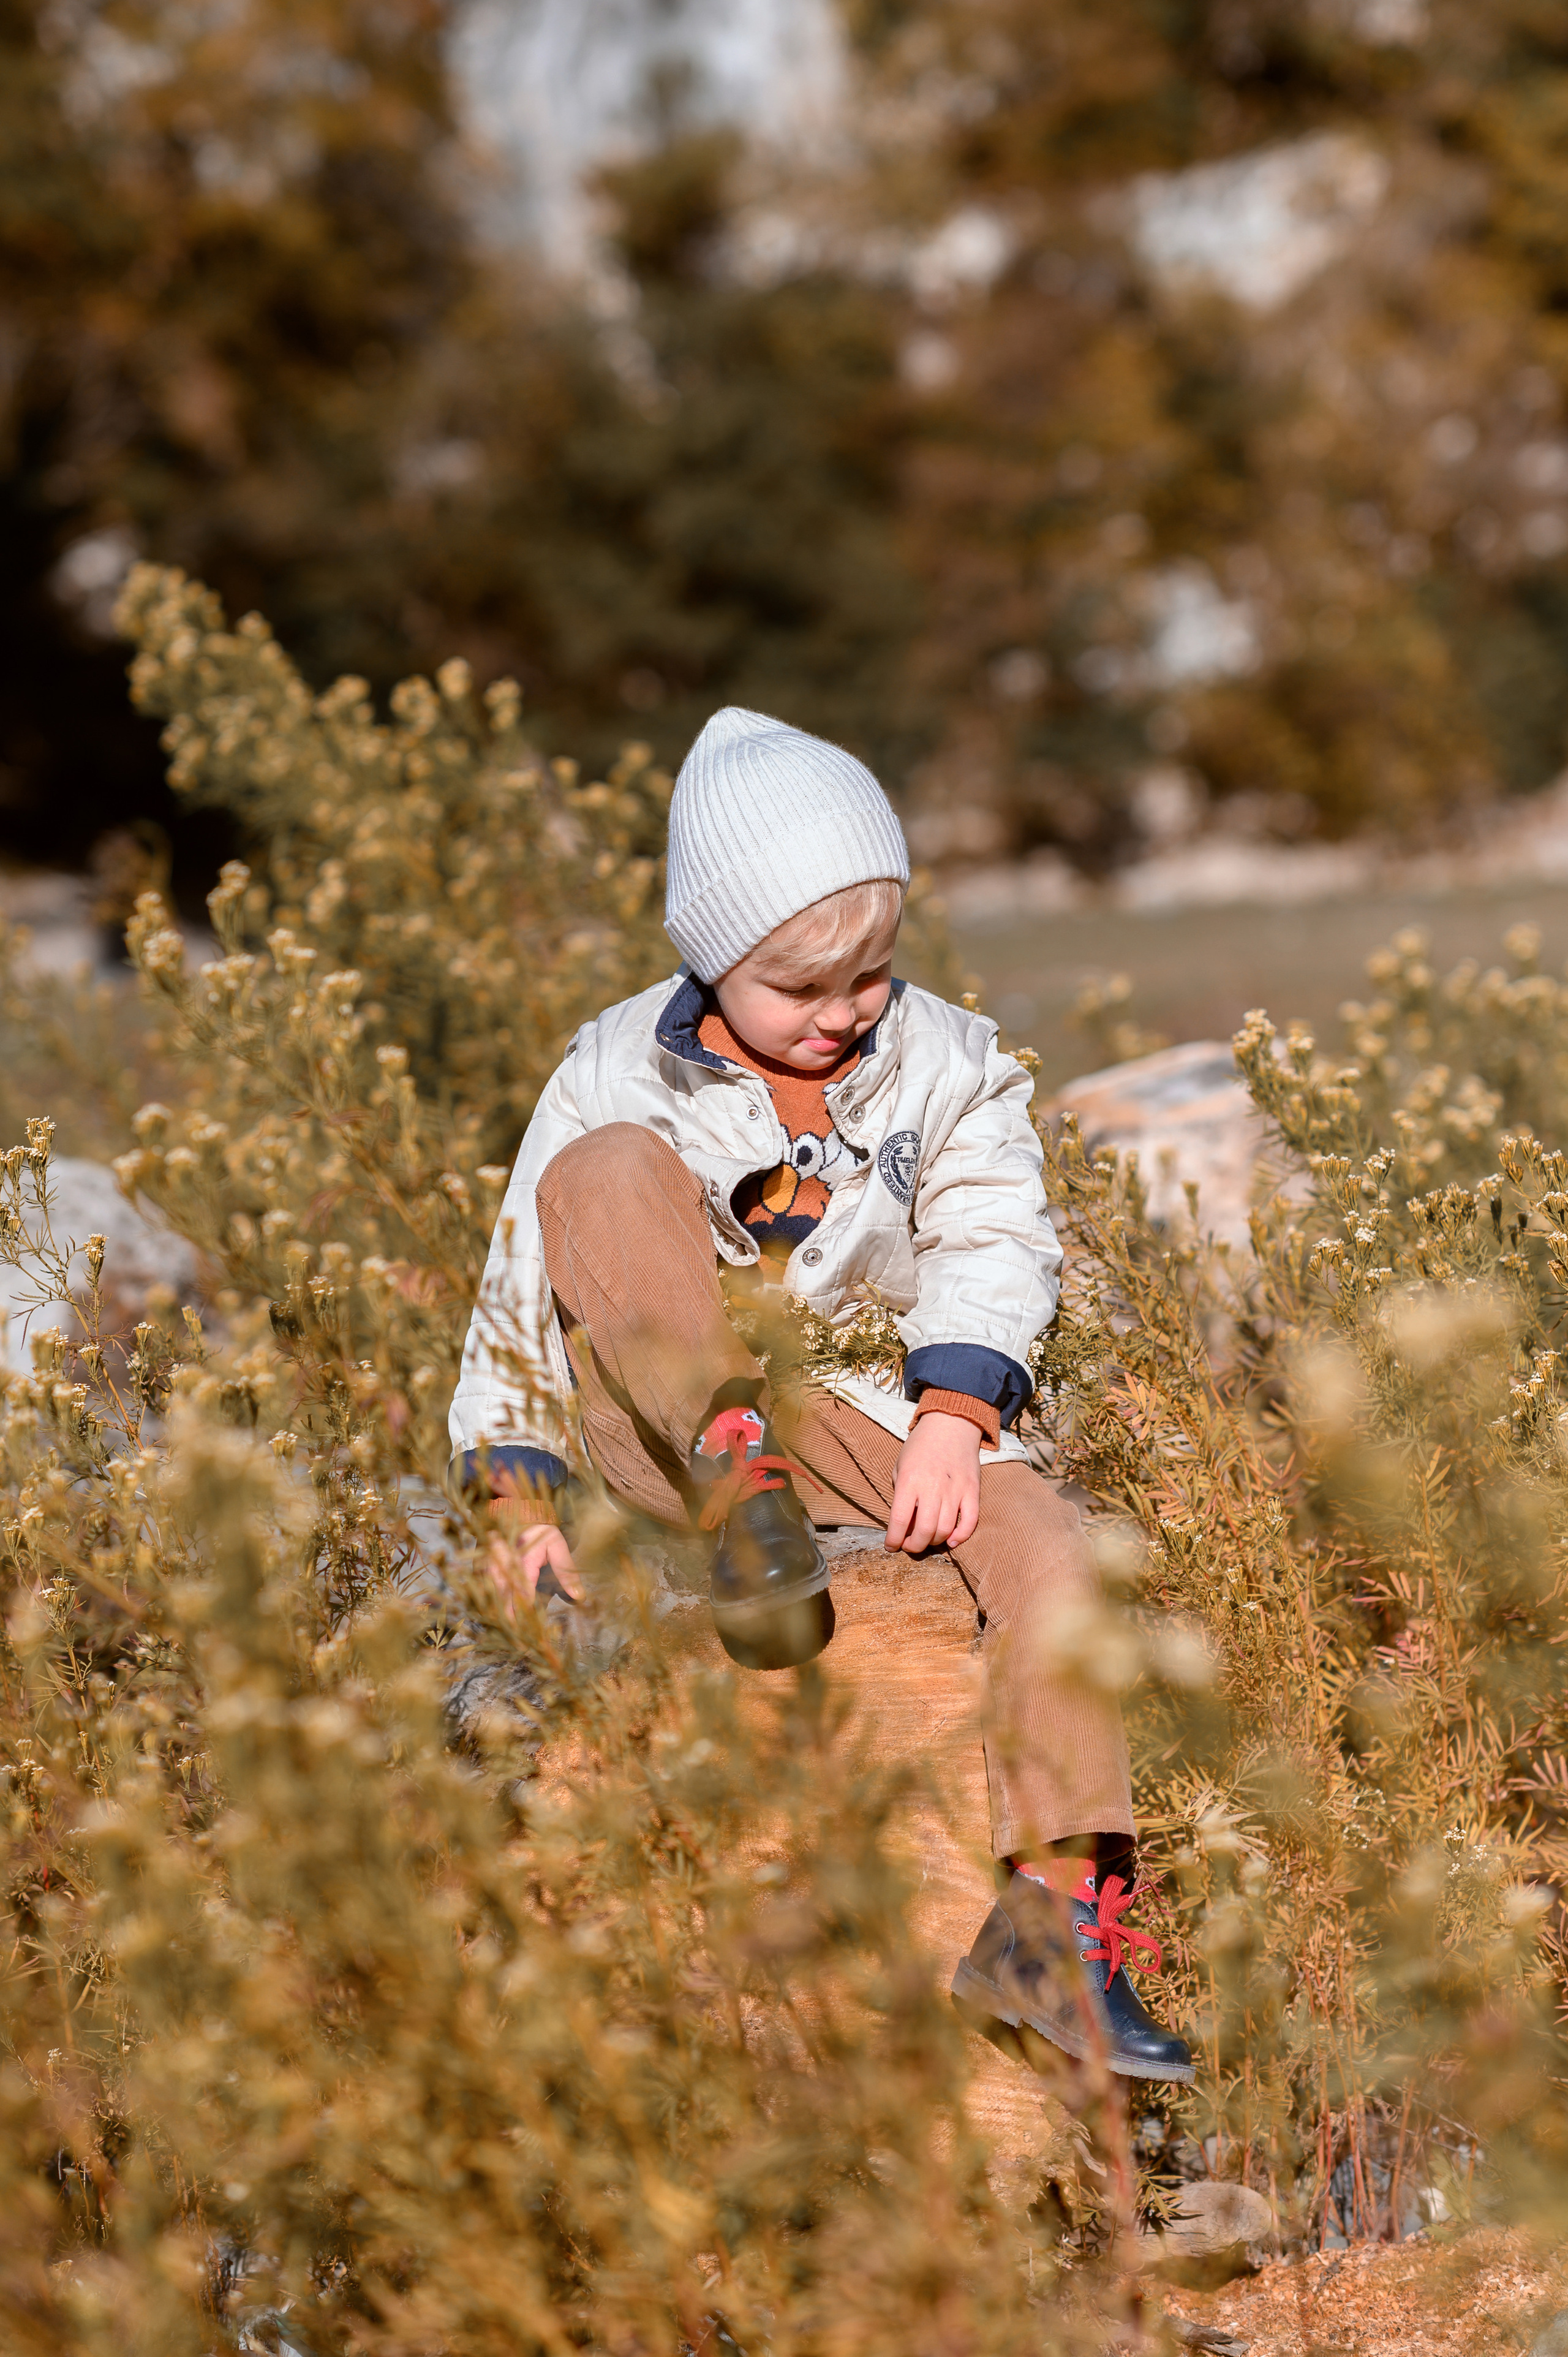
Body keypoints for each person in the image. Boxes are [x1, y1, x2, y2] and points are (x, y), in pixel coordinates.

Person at [449, 705, 1193, 2084]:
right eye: (800, 988)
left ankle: (1056, 1937)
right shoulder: (612, 1066)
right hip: (663, 1409)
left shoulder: (947, 1061)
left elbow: (993, 1235)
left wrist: (957, 1421)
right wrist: (515, 1489)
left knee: (1052, 1556)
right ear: (707, 956)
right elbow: (515, 1293)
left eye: (871, 974)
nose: (844, 1012)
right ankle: (741, 1497)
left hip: (854, 1399)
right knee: (605, 1172)